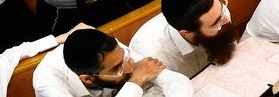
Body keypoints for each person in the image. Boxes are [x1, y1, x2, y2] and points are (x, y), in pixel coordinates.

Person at [33, 27, 192, 97]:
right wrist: (136, 80)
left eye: (125, 58)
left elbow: (174, 79)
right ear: (87, 79)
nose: (130, 68)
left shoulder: (111, 51)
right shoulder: (48, 84)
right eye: (118, 68)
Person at [130, 0, 238, 77]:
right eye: (216, 23)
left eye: (222, 10)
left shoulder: (219, 15)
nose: (227, 20)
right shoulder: (150, 54)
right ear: (186, 33)